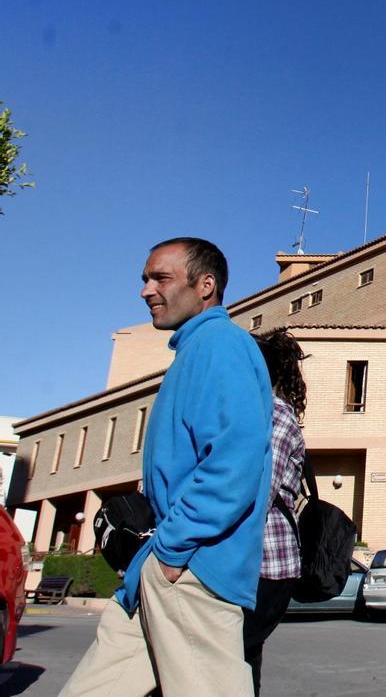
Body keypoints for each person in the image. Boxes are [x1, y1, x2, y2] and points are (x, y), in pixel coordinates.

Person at [60, 237, 273, 697]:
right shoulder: (195, 351)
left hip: (193, 568)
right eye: (145, 279)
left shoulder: (222, 345)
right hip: (159, 572)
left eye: (160, 278)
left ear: (206, 285)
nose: (145, 291)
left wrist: (173, 551)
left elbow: (235, 460)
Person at [243, 328, 307, 695]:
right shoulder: (251, 415)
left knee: (228, 658)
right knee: (240, 660)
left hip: (267, 568)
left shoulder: (276, 416)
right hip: (250, 565)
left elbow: (256, 497)